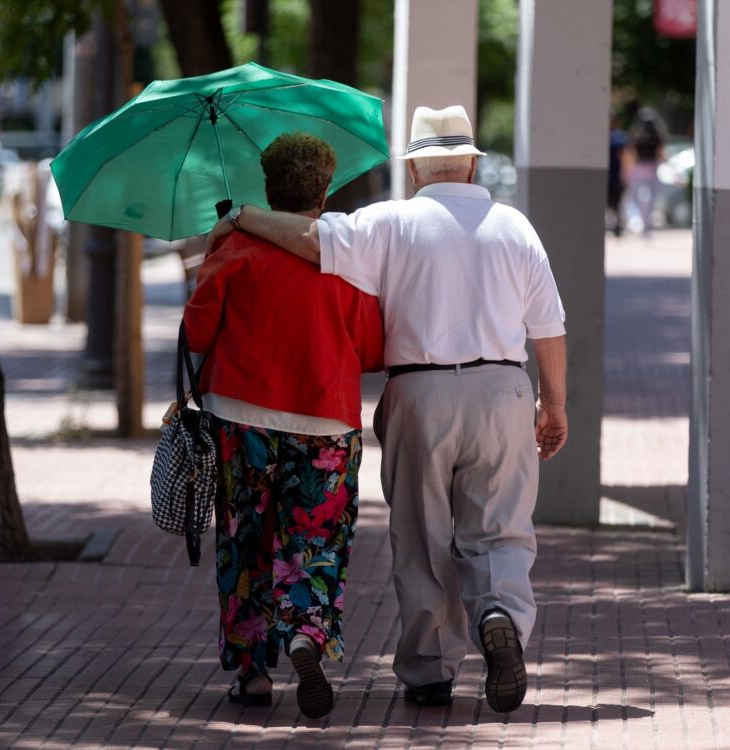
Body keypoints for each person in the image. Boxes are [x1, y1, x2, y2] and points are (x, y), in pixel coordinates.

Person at [207, 106, 568, 714]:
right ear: (474, 162)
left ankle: (429, 672)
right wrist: (552, 402)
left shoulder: (390, 222)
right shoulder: (515, 227)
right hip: (503, 388)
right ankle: (500, 611)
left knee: (423, 538)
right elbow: (550, 327)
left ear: (415, 169)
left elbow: (308, 238)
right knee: (501, 528)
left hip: (419, 392)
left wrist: (240, 216)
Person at [183, 133, 384, 719]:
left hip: (240, 420)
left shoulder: (234, 249)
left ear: (268, 188)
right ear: (323, 191)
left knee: (246, 543)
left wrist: (211, 257)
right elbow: (370, 349)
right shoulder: (348, 260)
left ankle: (251, 674)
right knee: (316, 541)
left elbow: (197, 336)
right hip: (325, 422)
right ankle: (306, 635)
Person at [625, 107, 667, 235]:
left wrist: (628, 170)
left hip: (638, 170)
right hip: (652, 170)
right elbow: (661, 154)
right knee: (653, 198)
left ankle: (638, 221)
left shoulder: (635, 134)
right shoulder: (658, 135)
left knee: (635, 198)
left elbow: (631, 154)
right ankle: (646, 224)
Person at [607, 115, 627, 237]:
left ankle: (617, 225)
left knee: (613, 203)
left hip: (611, 176)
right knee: (617, 204)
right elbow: (624, 156)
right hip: (615, 176)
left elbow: (623, 156)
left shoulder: (609, 137)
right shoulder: (619, 137)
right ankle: (617, 225)